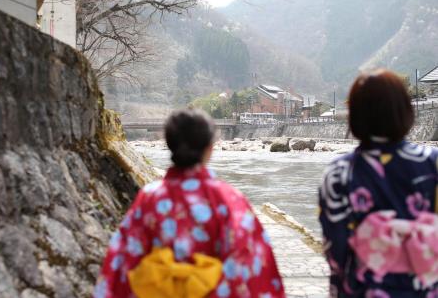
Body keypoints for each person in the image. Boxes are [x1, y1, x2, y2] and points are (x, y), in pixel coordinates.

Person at [94, 108, 285, 298]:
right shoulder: (229, 199)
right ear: (210, 149)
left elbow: (123, 261)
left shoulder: (149, 198)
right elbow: (251, 262)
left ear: (170, 145)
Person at [319, 69, 438, 298]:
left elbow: (335, 251)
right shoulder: (432, 164)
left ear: (354, 116)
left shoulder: (339, 173)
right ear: (405, 111)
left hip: (364, 290)